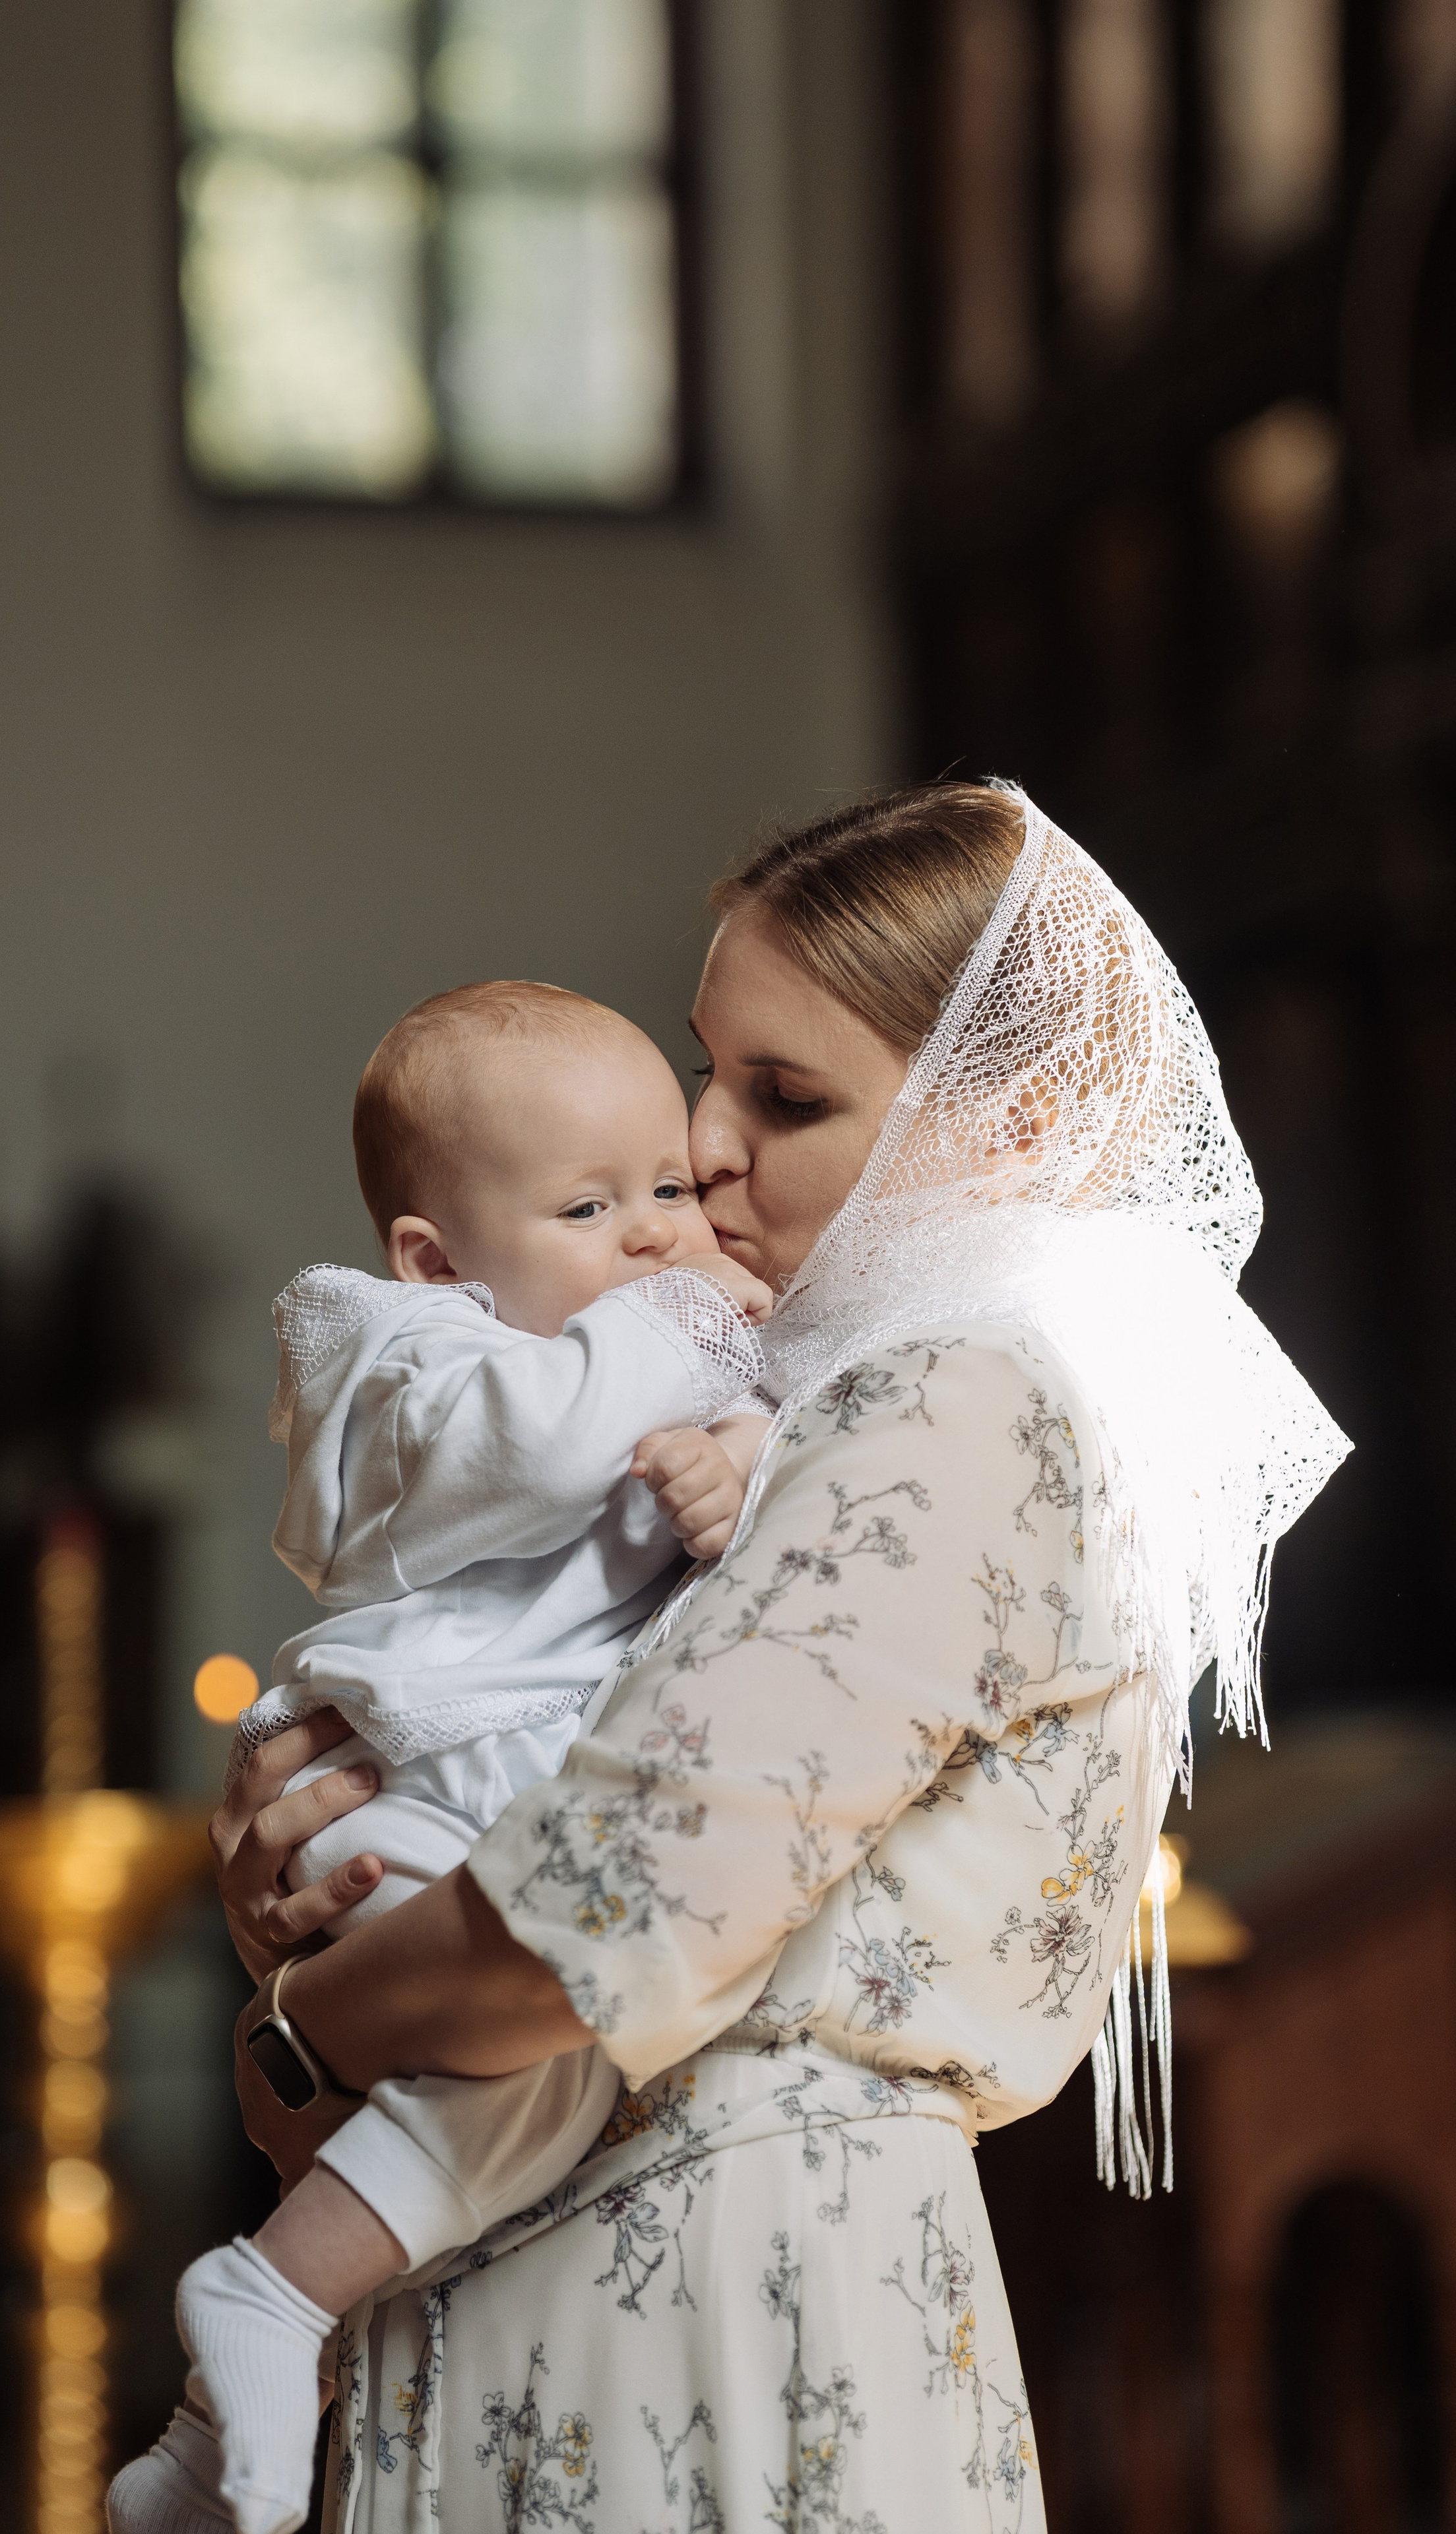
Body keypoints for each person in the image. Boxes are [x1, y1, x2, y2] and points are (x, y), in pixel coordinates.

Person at [208, 782, 1349, 2531]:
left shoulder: (957, 1396)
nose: (706, 1151)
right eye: (709, 1069)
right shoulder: (798, 1391)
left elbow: (591, 1912)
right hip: (592, 2238)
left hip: (713, 2295)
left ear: (1020, 1115)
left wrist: (297, 2032)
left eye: (788, 1096)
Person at [109, 981, 773, 2534]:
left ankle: (216, 2423)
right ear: (436, 1256)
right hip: (427, 1781)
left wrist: (738, 1453)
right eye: (590, 1205)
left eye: (666, 1190)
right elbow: (557, 1442)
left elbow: (735, 1443)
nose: (655, 1236)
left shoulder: (622, 1351)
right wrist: (683, 1324)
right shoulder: (414, 1362)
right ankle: (272, 2299)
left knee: (493, 2083)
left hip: (501, 1787)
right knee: (533, 2057)